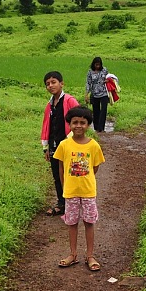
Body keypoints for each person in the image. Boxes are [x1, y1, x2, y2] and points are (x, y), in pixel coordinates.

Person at [54, 106, 105, 271]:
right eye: (74, 122)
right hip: (71, 191)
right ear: (69, 124)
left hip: (88, 191)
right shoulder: (64, 145)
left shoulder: (93, 146)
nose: (78, 126)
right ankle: (73, 254)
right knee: (72, 223)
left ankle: (90, 255)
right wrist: (64, 187)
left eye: (82, 123)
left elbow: (94, 167)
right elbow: (61, 168)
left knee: (89, 222)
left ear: (88, 125)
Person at [40, 71, 80, 216]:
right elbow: (46, 126)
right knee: (57, 174)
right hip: (54, 145)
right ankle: (61, 202)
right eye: (47, 84)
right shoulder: (49, 105)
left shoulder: (70, 101)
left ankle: (72, 203)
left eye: (53, 82)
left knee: (70, 174)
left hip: (68, 145)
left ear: (62, 83)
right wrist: (46, 148)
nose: (51, 86)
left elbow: (79, 121)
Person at [85, 56, 109, 133]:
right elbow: (88, 83)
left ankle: (101, 128)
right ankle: (96, 127)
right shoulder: (90, 72)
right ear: (93, 64)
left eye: (99, 65)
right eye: (96, 65)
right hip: (94, 93)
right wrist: (87, 94)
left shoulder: (104, 70)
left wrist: (107, 81)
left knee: (104, 110)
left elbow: (109, 78)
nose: (97, 66)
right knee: (96, 111)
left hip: (104, 93)